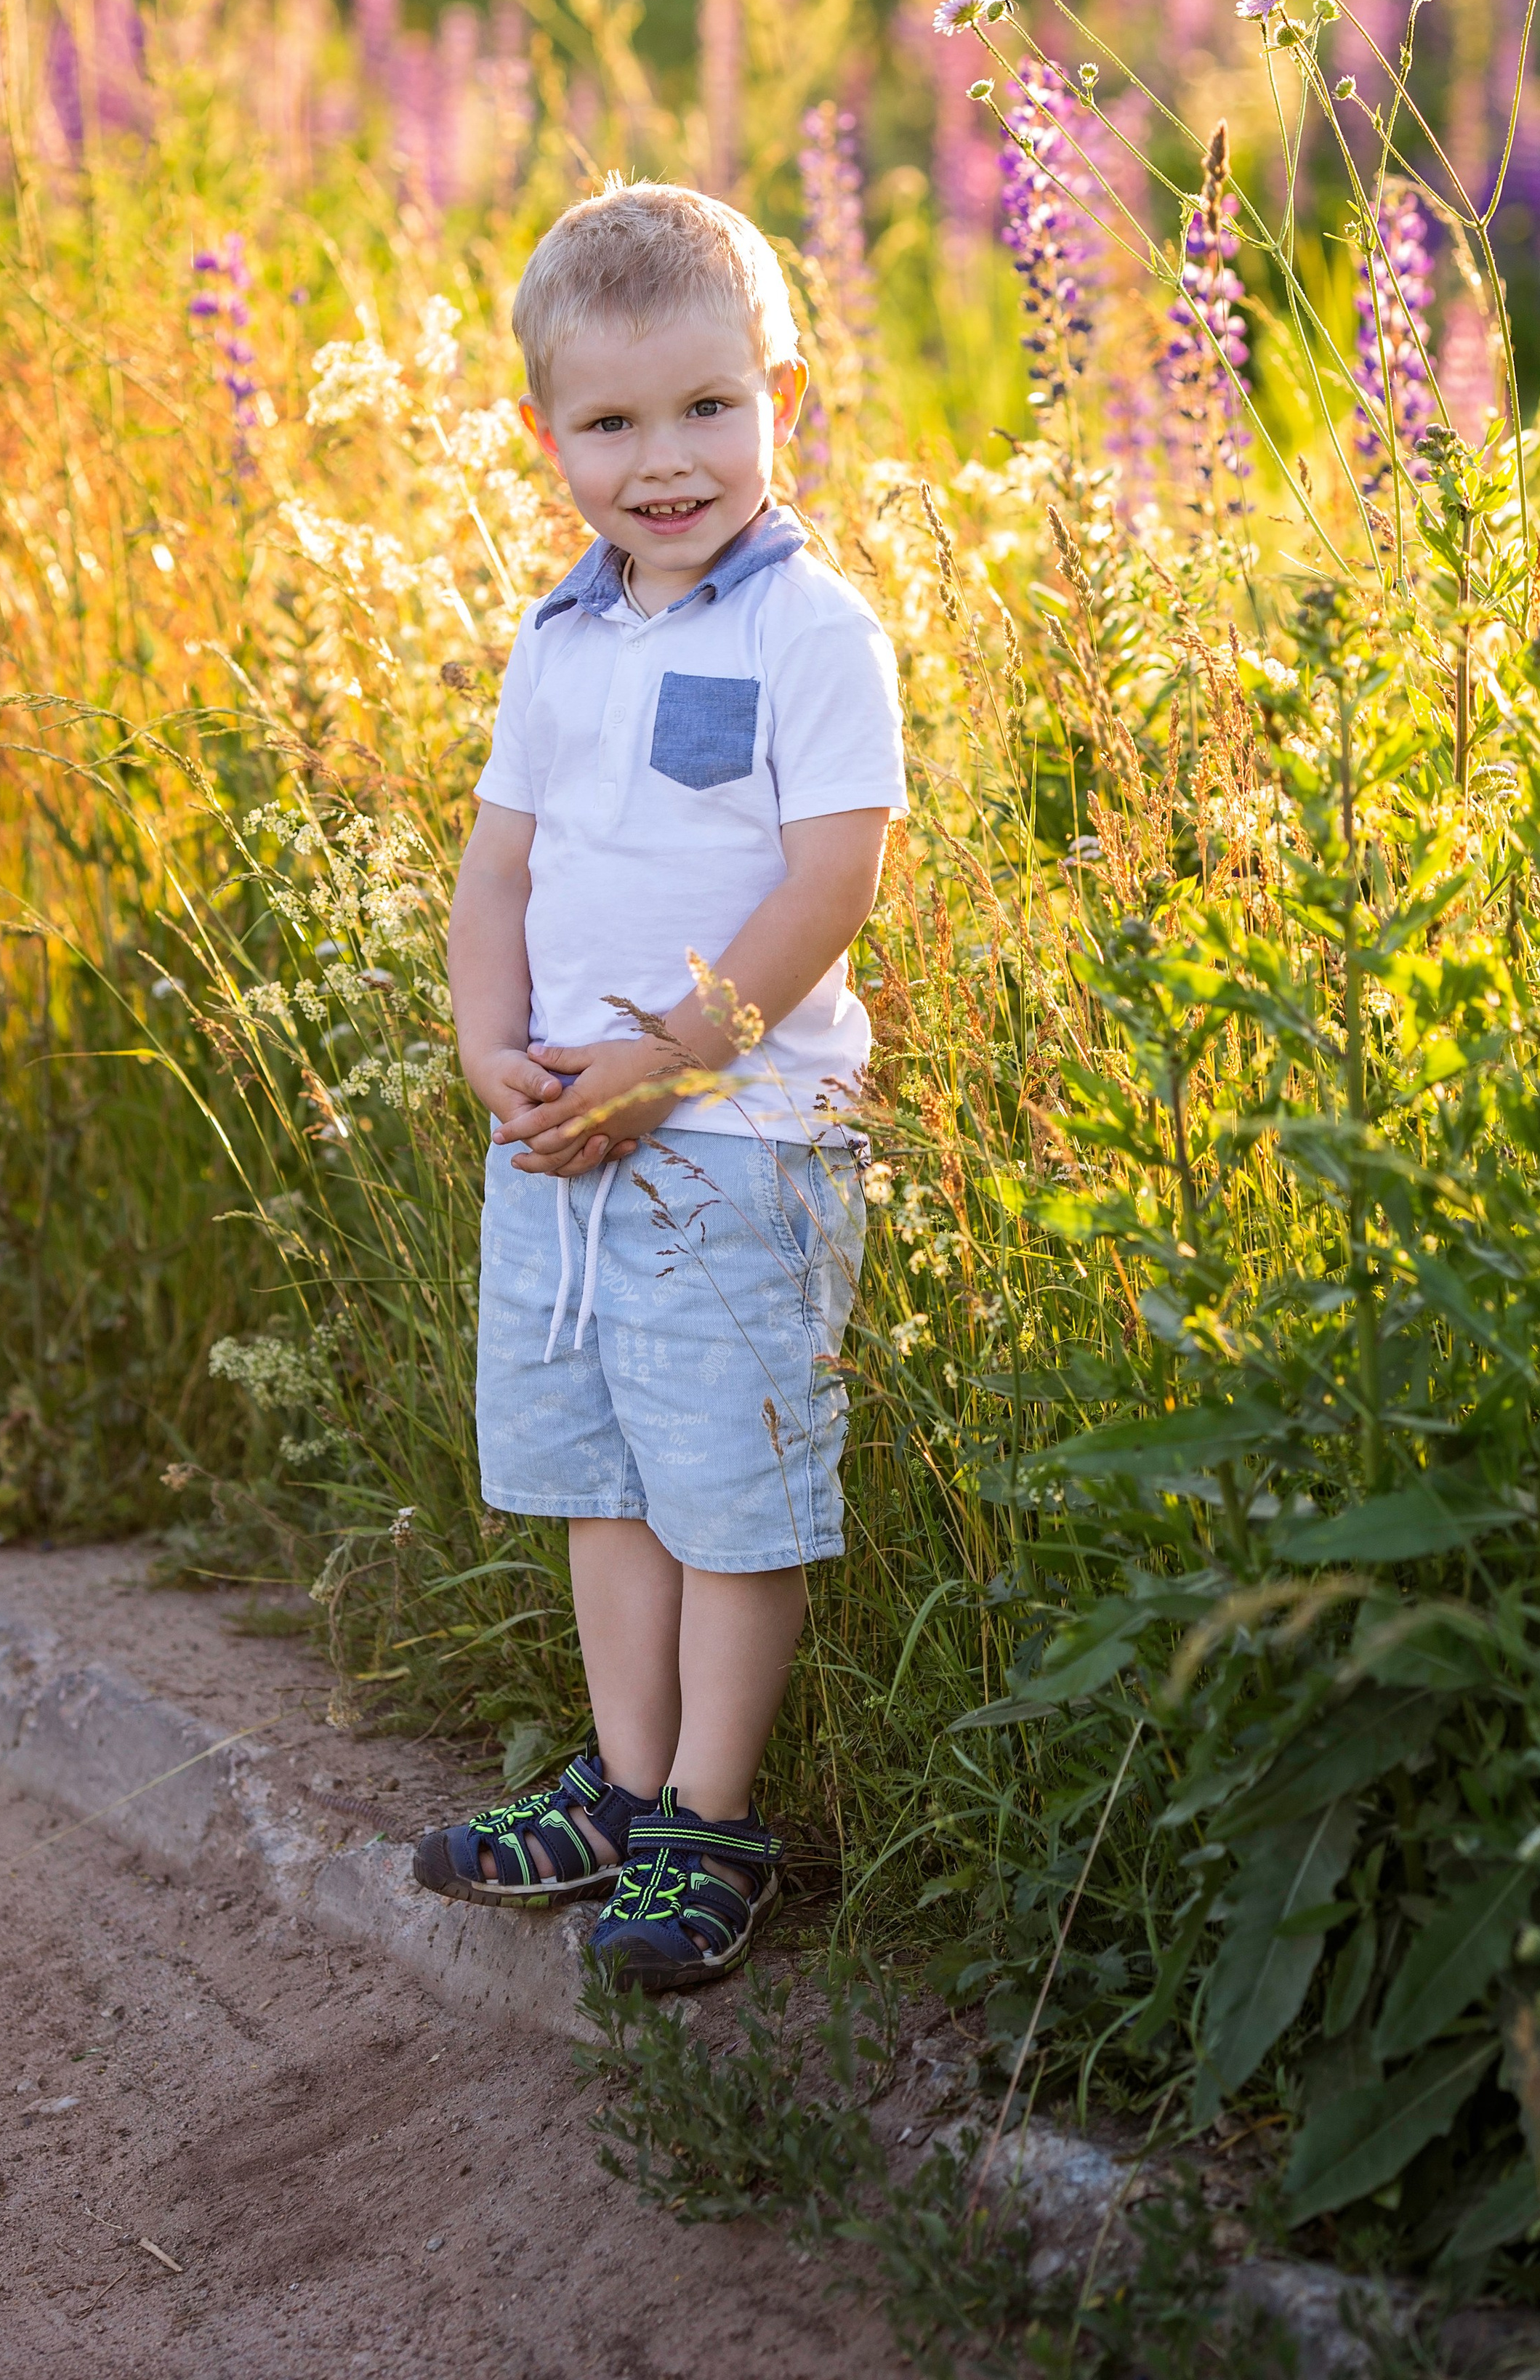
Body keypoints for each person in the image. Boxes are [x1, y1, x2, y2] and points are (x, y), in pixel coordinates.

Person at [411, 179, 906, 1993]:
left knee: (725, 1493)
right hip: (553, 1140)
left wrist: (665, 1064)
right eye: (609, 424)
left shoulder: (809, 632)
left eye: (707, 407)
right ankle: (619, 1787)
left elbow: (831, 882)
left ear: (785, 385)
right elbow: (495, 873)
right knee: (601, 1481)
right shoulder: (560, 638)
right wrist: (491, 1049)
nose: (663, 461)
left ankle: (709, 1811)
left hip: (736, 1149)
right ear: (540, 432)